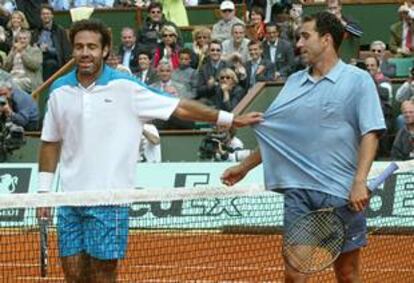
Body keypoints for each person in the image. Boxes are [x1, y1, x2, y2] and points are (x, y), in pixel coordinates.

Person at [36, 19, 263, 283]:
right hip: (69, 200)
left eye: (92, 47)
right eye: (79, 47)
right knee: (74, 274)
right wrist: (43, 194)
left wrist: (229, 118)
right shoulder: (58, 90)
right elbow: (50, 142)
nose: (85, 53)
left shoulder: (127, 87)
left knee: (102, 275)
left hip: (110, 200)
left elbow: (179, 107)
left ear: (105, 50)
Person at [222, 12, 385, 283]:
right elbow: (280, 139)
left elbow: (371, 133)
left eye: (305, 36)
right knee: (295, 273)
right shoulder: (294, 82)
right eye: (298, 37)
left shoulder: (358, 80)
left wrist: (359, 181)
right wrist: (243, 167)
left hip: (341, 193)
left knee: (347, 274)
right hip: (299, 193)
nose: (299, 43)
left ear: (327, 39)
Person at [33, 4, 72, 81]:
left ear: (52, 15)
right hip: (37, 58)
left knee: (50, 64)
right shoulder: (37, 30)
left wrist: (48, 49)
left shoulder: (59, 30)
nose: (45, 16)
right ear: (40, 16)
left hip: (53, 59)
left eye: (47, 14)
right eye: (43, 14)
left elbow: (63, 51)